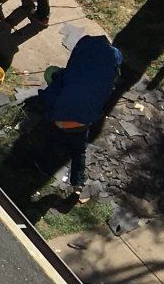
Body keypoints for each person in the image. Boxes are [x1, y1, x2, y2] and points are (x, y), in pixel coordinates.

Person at [23, 32, 122, 202]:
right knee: (79, 151)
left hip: (61, 119)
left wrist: (44, 99)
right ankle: (78, 183)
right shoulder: (105, 76)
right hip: (83, 122)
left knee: (53, 141)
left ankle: (44, 167)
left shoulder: (72, 73)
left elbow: (53, 92)